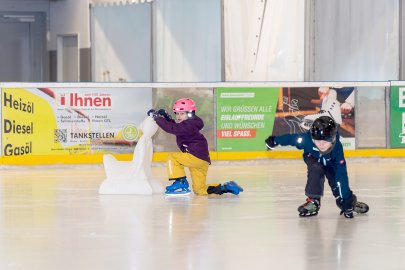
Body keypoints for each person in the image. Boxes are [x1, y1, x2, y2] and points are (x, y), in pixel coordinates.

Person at [265, 116, 369, 218]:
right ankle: (314, 201)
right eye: (318, 141)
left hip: (331, 163)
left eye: (325, 141)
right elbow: (291, 139)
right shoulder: (307, 140)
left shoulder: (337, 149)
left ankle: (347, 201)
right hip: (313, 158)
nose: (321, 145)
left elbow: (341, 175)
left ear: (332, 139)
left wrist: (346, 199)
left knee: (336, 182)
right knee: (315, 169)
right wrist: (274, 141)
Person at [148, 98, 243, 196]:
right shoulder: (189, 124)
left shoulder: (189, 125)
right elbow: (175, 127)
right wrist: (166, 118)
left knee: (172, 158)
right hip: (202, 161)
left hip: (195, 156)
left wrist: (157, 118)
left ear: (190, 114)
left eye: (182, 113)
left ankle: (180, 182)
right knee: (200, 190)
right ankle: (226, 187)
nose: (178, 116)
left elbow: (172, 128)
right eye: (177, 113)